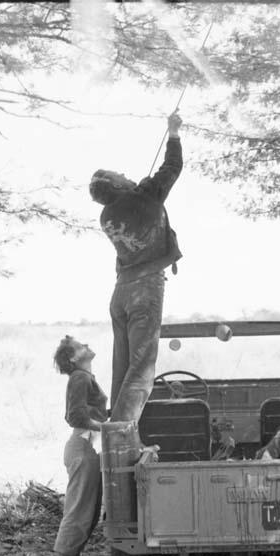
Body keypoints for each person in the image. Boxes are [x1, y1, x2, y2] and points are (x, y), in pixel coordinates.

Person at [89, 111, 183, 423]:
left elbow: (138, 198)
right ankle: (120, 434)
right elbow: (172, 168)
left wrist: (140, 189)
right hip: (145, 290)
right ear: (115, 185)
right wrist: (173, 133)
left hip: (120, 295)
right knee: (142, 373)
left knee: (123, 371)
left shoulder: (106, 216)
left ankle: (117, 441)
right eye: (121, 175)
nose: (127, 175)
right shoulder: (143, 196)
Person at [51, 335, 108, 556]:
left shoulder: (83, 378)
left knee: (88, 511)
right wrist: (106, 427)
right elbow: (74, 416)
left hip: (87, 445)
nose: (86, 344)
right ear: (74, 358)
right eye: (80, 345)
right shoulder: (80, 378)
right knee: (79, 510)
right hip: (85, 446)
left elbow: (79, 413)